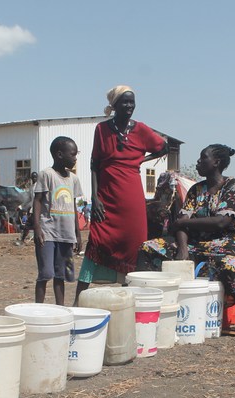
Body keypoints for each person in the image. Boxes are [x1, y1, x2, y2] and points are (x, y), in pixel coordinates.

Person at [139, 144, 235, 335]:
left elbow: (222, 222)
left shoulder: (232, 185)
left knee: (230, 264)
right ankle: (147, 300)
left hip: (226, 242)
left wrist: (189, 223)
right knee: (149, 247)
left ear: (216, 162)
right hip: (195, 243)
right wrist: (182, 248)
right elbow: (180, 224)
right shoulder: (195, 190)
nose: (198, 162)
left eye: (203, 158)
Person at [75, 85, 168, 304]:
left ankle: (126, 300)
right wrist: (95, 197)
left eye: (132, 102)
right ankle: (78, 301)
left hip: (132, 196)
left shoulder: (142, 129)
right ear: (114, 105)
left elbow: (163, 147)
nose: (129, 106)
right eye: (124, 102)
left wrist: (140, 160)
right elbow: (94, 164)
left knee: (133, 244)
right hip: (106, 195)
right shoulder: (102, 129)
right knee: (97, 241)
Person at [33, 137, 83, 306]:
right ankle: (37, 309)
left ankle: (60, 309)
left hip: (66, 234)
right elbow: (38, 200)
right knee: (45, 273)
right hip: (48, 232)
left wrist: (78, 234)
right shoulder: (46, 174)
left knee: (61, 274)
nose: (75, 158)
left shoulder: (73, 179)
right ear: (59, 154)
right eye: (73, 154)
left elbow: (74, 206)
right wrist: (37, 228)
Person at [16, 171, 38, 245]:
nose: (34, 179)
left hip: (38, 209)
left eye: (35, 178)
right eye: (33, 178)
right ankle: (22, 239)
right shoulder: (31, 187)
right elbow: (29, 199)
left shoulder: (39, 186)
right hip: (32, 209)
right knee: (28, 225)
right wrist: (21, 206)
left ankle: (35, 239)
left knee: (35, 225)